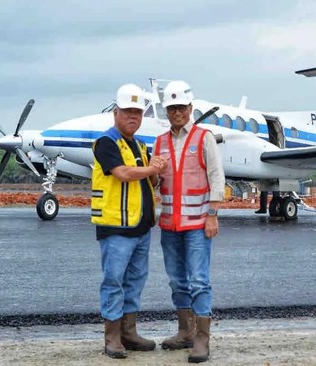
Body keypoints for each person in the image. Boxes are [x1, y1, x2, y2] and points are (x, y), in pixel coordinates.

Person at [91, 83, 167, 359]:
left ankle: (129, 332)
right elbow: (122, 173)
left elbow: (152, 181)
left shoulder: (139, 145)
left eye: (137, 112)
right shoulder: (106, 143)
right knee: (114, 280)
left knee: (135, 280)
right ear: (116, 113)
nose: (133, 117)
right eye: (127, 112)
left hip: (141, 228)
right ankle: (112, 336)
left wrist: (157, 170)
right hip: (116, 228)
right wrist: (151, 168)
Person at [153, 80, 225, 363]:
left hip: (197, 224)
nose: (176, 113)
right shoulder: (159, 143)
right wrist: (152, 173)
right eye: (171, 108)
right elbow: (157, 182)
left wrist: (212, 215)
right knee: (176, 281)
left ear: (190, 108)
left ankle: (202, 340)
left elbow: (216, 177)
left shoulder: (203, 137)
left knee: (199, 281)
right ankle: (185, 331)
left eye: (180, 107)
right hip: (170, 225)